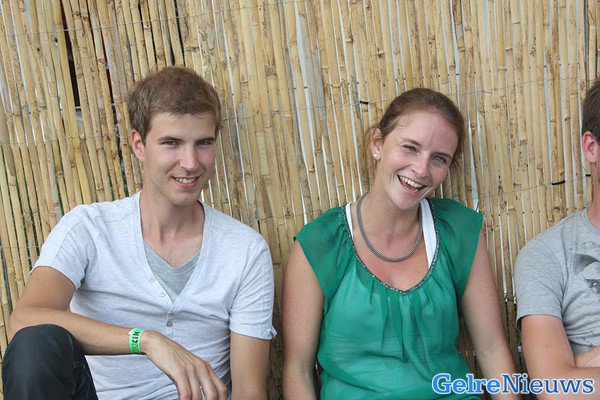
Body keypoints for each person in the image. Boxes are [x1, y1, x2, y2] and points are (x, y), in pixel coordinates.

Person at [2, 66, 276, 400]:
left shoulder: (245, 250)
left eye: (203, 143)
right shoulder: (88, 228)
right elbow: (25, 321)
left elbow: (250, 392)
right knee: (34, 346)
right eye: (171, 143)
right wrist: (145, 340)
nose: (191, 162)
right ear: (138, 145)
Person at [282, 88, 517, 399]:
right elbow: (298, 369)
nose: (421, 169)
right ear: (377, 144)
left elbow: (491, 348)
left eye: (439, 158)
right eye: (410, 148)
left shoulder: (458, 231)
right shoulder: (320, 244)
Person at [515, 78, 600, 399]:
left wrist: (581, 363)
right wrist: (561, 373)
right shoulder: (546, 255)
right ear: (591, 147)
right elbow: (555, 388)